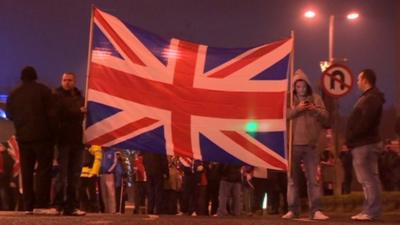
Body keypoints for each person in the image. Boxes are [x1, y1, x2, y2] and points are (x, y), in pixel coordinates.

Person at [6, 66, 58, 214]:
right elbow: (52, 115)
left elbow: (9, 114)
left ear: (22, 77)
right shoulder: (43, 91)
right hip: (43, 137)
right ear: (35, 76)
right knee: (43, 170)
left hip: (23, 138)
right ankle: (41, 204)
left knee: (27, 171)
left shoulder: (14, 94)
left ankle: (28, 205)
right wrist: (53, 134)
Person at [282, 69, 329, 220]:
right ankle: (292, 210)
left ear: (307, 85)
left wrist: (315, 110)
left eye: (303, 86)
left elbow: (325, 117)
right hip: (293, 145)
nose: (301, 89)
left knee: (313, 180)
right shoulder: (289, 99)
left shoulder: (316, 98)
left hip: (310, 145)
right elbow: (283, 115)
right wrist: (297, 109)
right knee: (292, 180)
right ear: (294, 87)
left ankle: (316, 210)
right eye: (298, 86)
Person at [346, 69, 384, 221]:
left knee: (367, 179)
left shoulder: (371, 99)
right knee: (370, 179)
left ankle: (371, 211)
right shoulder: (370, 97)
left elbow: (365, 123)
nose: (356, 82)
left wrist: (352, 137)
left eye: (358, 79)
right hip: (364, 143)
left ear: (365, 80)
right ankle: (369, 210)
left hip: (364, 144)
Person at [53, 72, 86, 216]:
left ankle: (72, 206)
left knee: (75, 175)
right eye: (64, 80)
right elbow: (59, 113)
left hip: (77, 141)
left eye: (70, 80)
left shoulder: (81, 97)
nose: (67, 82)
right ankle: (57, 205)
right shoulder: (55, 96)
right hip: (63, 140)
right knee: (62, 174)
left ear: (74, 81)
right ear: (61, 81)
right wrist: (78, 112)